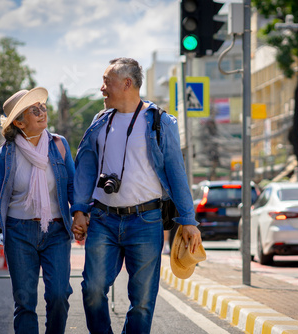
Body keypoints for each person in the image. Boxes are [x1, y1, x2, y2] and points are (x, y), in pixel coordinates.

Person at [71, 57, 202, 334]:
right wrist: (80, 209)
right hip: (104, 219)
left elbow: (176, 172)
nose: (101, 89)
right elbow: (85, 166)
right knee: (92, 290)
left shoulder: (159, 122)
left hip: (146, 221)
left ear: (127, 83)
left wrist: (188, 220)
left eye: (107, 82)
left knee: (142, 302)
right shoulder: (99, 121)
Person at [0, 87, 75, 334]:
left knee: (59, 295)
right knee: (24, 302)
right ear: (19, 121)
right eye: (34, 110)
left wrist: (80, 214)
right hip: (19, 232)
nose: (42, 112)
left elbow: (72, 186)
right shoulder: (6, 153)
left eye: (43, 107)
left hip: (56, 230)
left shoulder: (59, 145)